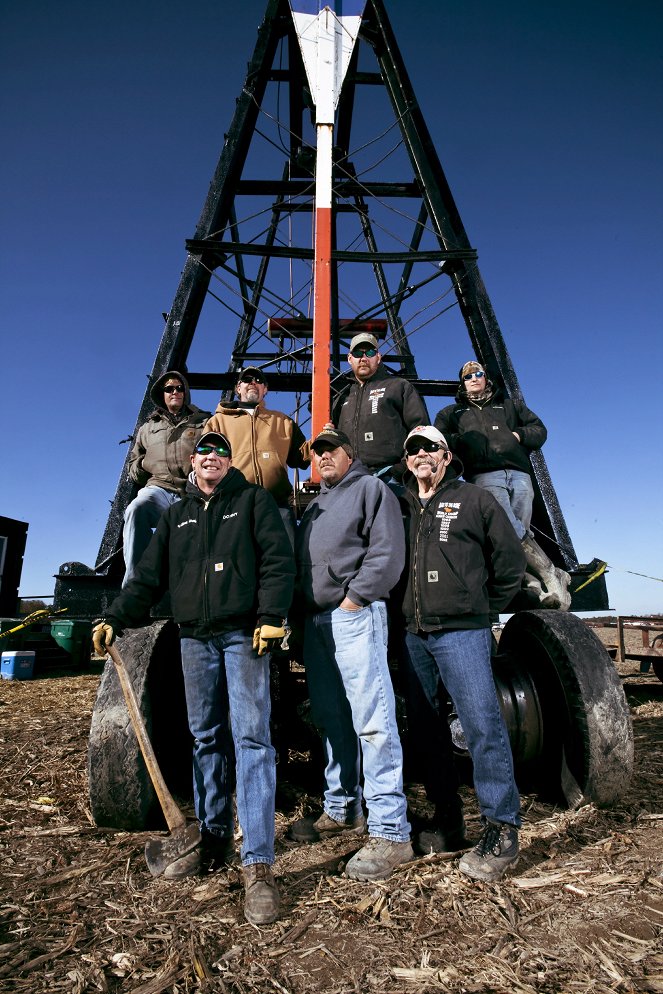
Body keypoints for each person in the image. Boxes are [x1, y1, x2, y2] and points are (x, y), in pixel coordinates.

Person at [92, 430, 295, 925]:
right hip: (193, 639)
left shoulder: (251, 502)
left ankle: (259, 864)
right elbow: (145, 577)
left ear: (229, 462)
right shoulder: (174, 515)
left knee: (251, 740)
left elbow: (277, 560)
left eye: (220, 452)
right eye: (204, 453)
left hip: (241, 635)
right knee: (204, 737)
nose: (211, 459)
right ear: (191, 463)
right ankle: (214, 837)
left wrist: (272, 615)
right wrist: (116, 617)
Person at [400, 425, 525, 882]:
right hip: (415, 634)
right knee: (427, 728)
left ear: (446, 456)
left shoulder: (474, 499)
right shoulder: (403, 505)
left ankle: (501, 830)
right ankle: (447, 818)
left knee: (481, 724)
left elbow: (509, 561)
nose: (421, 455)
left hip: (461, 632)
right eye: (413, 449)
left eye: (430, 447)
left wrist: (482, 608)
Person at [290, 427, 413, 881]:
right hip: (318, 621)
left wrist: (355, 598)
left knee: (373, 718)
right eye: (317, 453)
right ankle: (342, 808)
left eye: (331, 451)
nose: (323, 458)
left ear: (349, 454)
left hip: (352, 615)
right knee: (331, 716)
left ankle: (390, 830)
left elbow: (386, 552)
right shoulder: (316, 503)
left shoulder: (370, 488)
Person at [434, 360, 571, 610]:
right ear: (462, 383)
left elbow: (539, 429)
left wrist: (517, 436)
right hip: (484, 475)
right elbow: (440, 439)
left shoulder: (509, 406)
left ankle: (530, 584)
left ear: (486, 378)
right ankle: (551, 573)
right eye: (468, 376)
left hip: (519, 474)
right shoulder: (452, 413)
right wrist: (464, 442)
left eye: (478, 374)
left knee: (518, 532)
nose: (474, 379)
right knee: (508, 529)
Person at [204, 366, 310, 543]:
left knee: (285, 563)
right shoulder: (217, 422)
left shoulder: (283, 421)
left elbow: (301, 457)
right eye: (247, 380)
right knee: (240, 564)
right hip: (234, 506)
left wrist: (325, 434)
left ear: (265, 389)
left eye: (258, 380)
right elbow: (205, 463)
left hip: (277, 506)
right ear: (238, 388)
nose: (253, 383)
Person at [123, 370, 209, 585]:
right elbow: (133, 466)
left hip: (191, 493)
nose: (175, 392)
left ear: (185, 392)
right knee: (136, 510)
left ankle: (200, 589)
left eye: (179, 388)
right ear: (162, 394)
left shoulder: (204, 421)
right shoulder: (148, 428)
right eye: (169, 389)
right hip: (158, 489)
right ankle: (136, 586)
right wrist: (143, 465)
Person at [331, 332, 428, 483]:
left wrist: (401, 468)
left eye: (370, 352)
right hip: (350, 477)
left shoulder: (398, 386)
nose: (363, 358)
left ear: (378, 357)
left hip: (391, 476)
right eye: (357, 353)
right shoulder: (342, 397)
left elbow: (420, 429)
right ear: (350, 359)